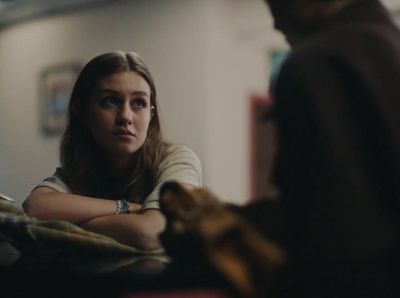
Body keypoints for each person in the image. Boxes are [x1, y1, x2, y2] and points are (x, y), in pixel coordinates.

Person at [259, 0, 400, 297]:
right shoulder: (390, 45)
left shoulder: (316, 63)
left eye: (274, 4)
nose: (275, 22)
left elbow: (334, 240)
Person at [23, 51, 202, 251]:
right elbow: (35, 208)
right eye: (110, 101)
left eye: (139, 103)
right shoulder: (80, 169)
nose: (126, 116)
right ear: (82, 111)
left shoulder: (177, 161)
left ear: (151, 115)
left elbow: (150, 233)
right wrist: (125, 208)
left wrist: (63, 226)